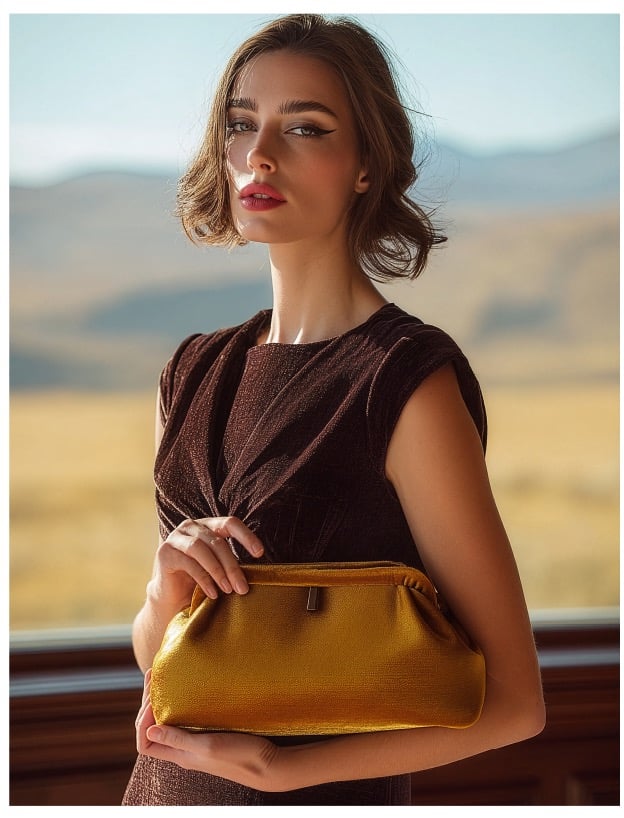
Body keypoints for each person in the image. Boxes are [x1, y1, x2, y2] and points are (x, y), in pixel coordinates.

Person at [122, 13, 545, 807]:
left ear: (365, 166)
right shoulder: (190, 373)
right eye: (242, 124)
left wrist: (283, 771)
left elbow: (516, 704)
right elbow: (166, 666)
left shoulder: (404, 381)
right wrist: (161, 591)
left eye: (306, 127)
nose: (261, 154)